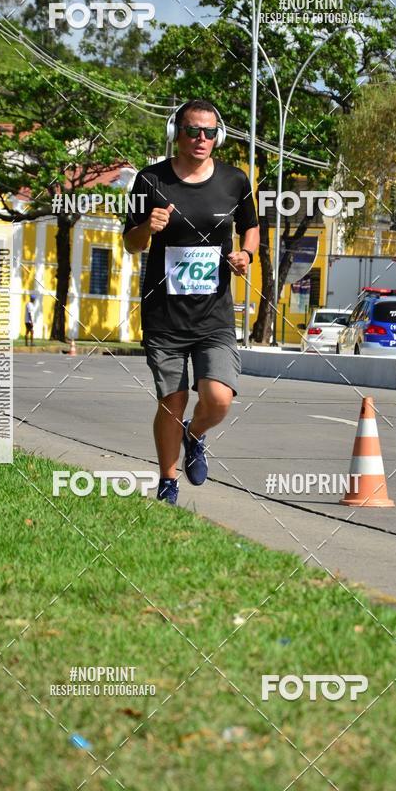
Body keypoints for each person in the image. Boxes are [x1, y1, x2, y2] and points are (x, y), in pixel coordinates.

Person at [123, 99, 259, 505]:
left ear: (219, 136)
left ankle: (195, 434)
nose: (201, 139)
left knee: (218, 398)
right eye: (193, 130)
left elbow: (251, 229)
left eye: (209, 131)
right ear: (176, 134)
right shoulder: (150, 180)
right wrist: (148, 226)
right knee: (172, 399)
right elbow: (130, 243)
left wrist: (246, 256)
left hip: (213, 312)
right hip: (164, 313)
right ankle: (168, 480)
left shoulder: (235, 181)